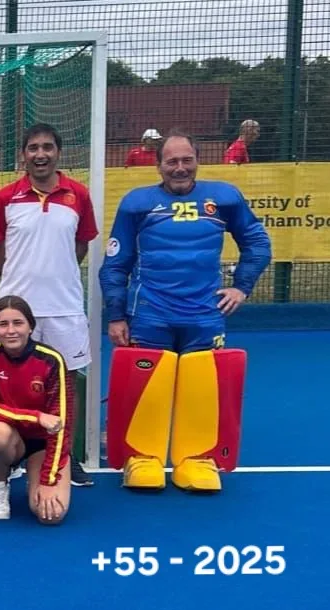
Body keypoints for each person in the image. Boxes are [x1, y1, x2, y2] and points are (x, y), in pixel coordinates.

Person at [99, 132, 271, 492]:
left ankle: (196, 458)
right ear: (158, 165)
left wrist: (241, 287)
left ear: (197, 160)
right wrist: (116, 315)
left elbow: (257, 242)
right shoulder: (136, 203)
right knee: (148, 387)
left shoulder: (224, 198)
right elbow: (116, 264)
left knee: (202, 388)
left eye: (186, 160)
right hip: (150, 314)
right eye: (172, 161)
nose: (180, 168)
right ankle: (142, 457)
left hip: (204, 316)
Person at [0, 123, 98, 487]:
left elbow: (81, 245)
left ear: (58, 153)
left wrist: (56, 272)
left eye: (47, 147)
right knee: (12, 382)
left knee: (66, 385)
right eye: (33, 148)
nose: (40, 154)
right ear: (23, 155)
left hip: (64, 307)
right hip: (18, 309)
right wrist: (16, 275)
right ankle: (15, 453)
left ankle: (66, 456)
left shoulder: (78, 195)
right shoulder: (6, 198)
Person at [0, 296, 72, 524]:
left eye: (18, 323)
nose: (11, 331)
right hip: (8, 437)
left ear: (30, 326)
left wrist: (48, 480)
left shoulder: (51, 360)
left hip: (41, 443)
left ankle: (34, 478)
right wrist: (36, 417)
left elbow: (60, 425)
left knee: (51, 516)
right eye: (3, 324)